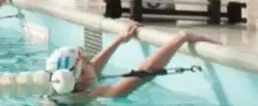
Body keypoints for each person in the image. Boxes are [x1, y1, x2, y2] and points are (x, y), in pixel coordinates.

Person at [46, 23, 218, 99]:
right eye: (86, 63)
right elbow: (145, 72)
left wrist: (118, 40)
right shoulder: (93, 94)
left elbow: (89, 71)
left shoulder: (59, 89)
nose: (91, 62)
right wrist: (181, 37)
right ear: (79, 76)